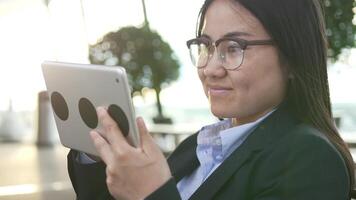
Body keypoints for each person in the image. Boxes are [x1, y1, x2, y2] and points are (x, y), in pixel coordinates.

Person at [67, 0, 355, 199]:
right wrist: (97, 152)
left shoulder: (310, 158)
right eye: (206, 46)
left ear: (292, 59)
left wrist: (150, 192)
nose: (210, 69)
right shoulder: (198, 145)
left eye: (234, 48)